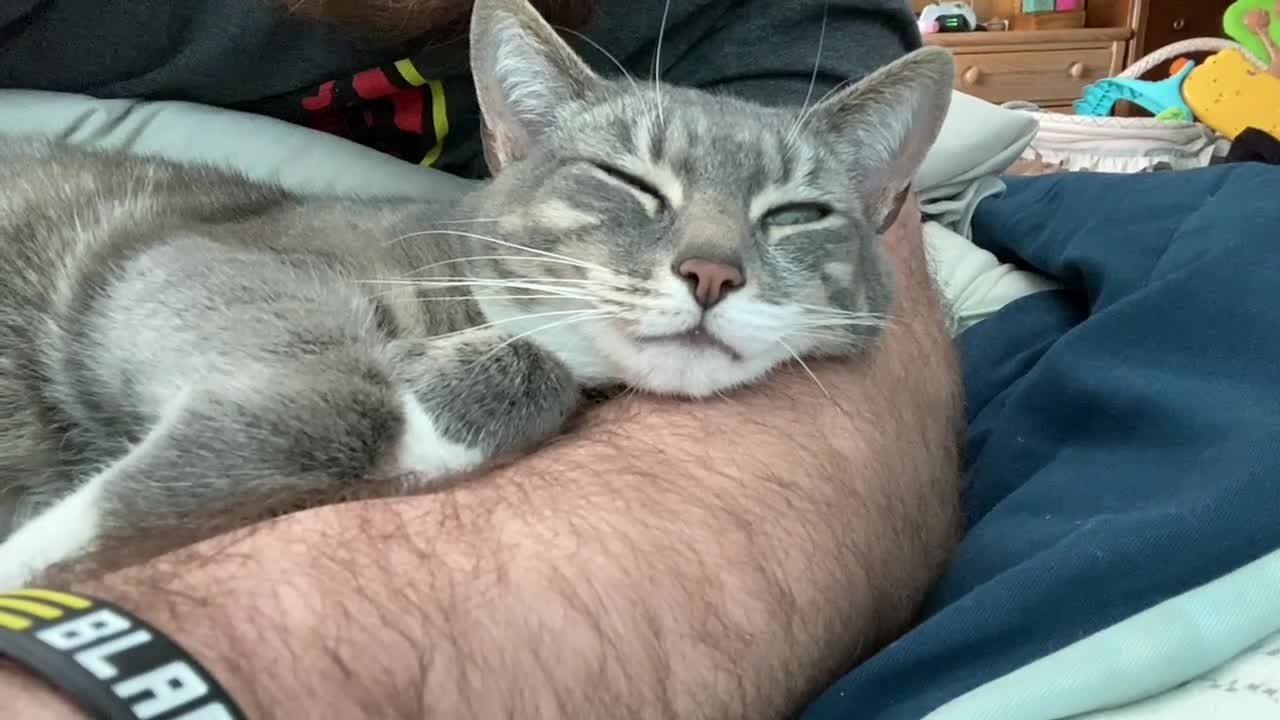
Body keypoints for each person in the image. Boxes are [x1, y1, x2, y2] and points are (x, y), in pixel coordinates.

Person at [0, 1, 963, 717]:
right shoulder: (421, 267)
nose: (710, 267)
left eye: (795, 217)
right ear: (520, 139)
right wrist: (311, 411)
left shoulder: (781, 26)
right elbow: (171, 278)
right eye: (630, 186)